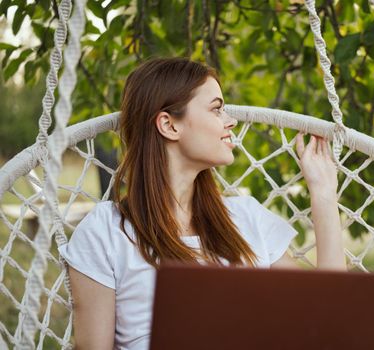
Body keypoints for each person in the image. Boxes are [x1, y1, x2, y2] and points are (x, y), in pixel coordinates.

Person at [58, 57, 345, 350]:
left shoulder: (247, 217)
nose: (230, 121)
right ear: (169, 125)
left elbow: (327, 319)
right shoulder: (105, 232)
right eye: (216, 109)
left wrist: (323, 193)